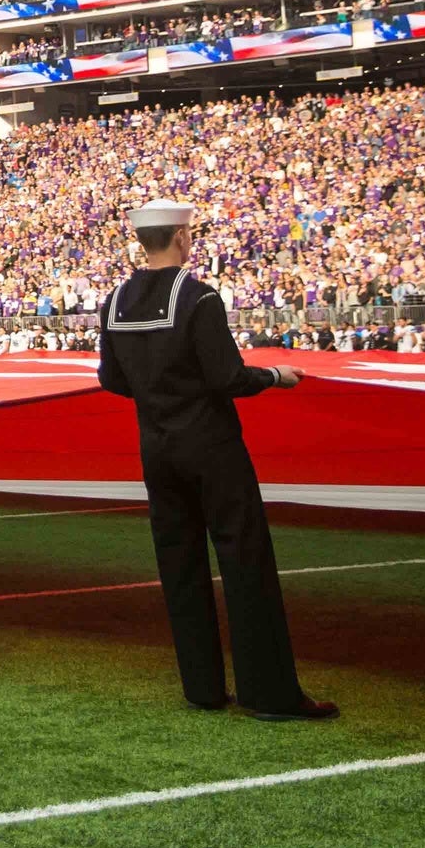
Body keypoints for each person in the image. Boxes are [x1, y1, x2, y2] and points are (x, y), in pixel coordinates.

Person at [98, 199, 333, 720]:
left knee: (179, 564)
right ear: (181, 238)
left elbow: (111, 380)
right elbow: (227, 376)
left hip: (156, 449)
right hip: (210, 445)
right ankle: (268, 693)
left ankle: (202, 688)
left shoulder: (115, 301)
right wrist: (274, 376)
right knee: (245, 559)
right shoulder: (199, 298)